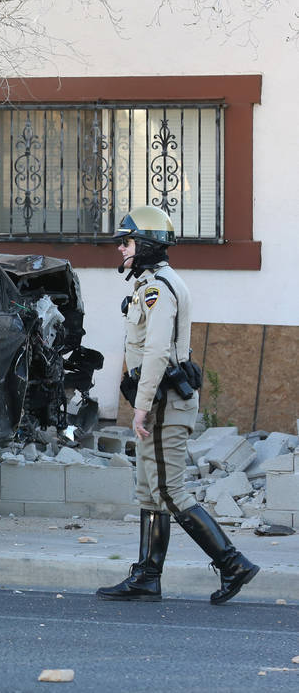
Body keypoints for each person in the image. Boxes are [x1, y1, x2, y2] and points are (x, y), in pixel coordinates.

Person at [96, 206, 259, 605]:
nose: (121, 248)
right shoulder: (150, 284)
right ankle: (147, 578)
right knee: (149, 492)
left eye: (128, 241)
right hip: (157, 402)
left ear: (147, 245)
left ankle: (233, 563)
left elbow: (155, 352)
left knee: (170, 490)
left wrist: (141, 406)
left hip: (164, 403)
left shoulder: (159, 289)